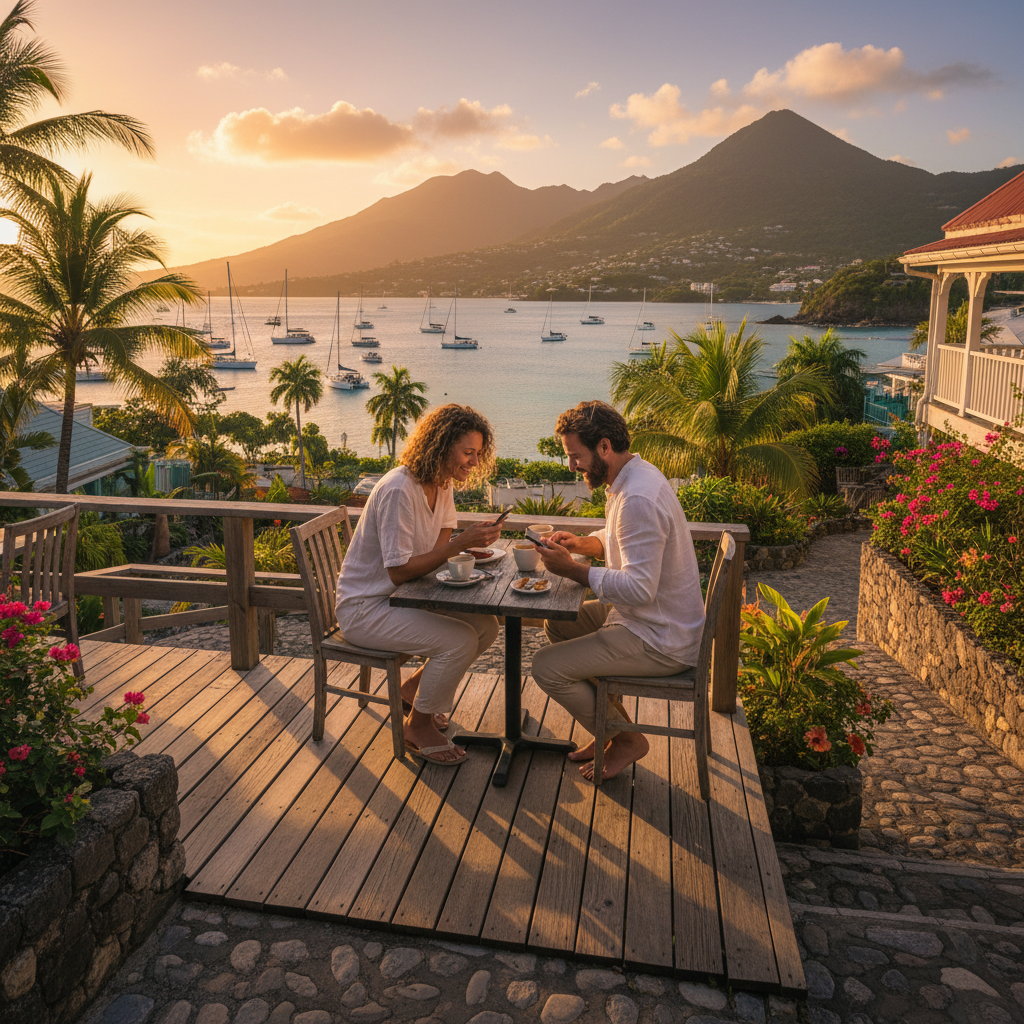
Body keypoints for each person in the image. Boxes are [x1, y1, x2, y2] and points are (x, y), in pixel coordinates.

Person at [530, 400, 705, 781]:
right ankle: (608, 728)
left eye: (576, 457)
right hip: (654, 621)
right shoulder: (634, 478)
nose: (573, 466)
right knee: (558, 625)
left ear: (604, 447)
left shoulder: (637, 498)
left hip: (659, 638)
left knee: (546, 668)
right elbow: (624, 543)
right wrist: (582, 543)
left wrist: (573, 571)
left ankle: (625, 739)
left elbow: (640, 588)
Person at [336, 404, 501, 765]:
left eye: (478, 453)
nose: (474, 462)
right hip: (367, 608)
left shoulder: (441, 484)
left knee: (486, 626)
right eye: (468, 453)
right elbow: (399, 571)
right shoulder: (400, 490)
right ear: (441, 447)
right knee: (457, 640)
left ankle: (413, 689)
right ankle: (417, 725)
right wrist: (457, 546)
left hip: (406, 597)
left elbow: (438, 546)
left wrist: (464, 547)